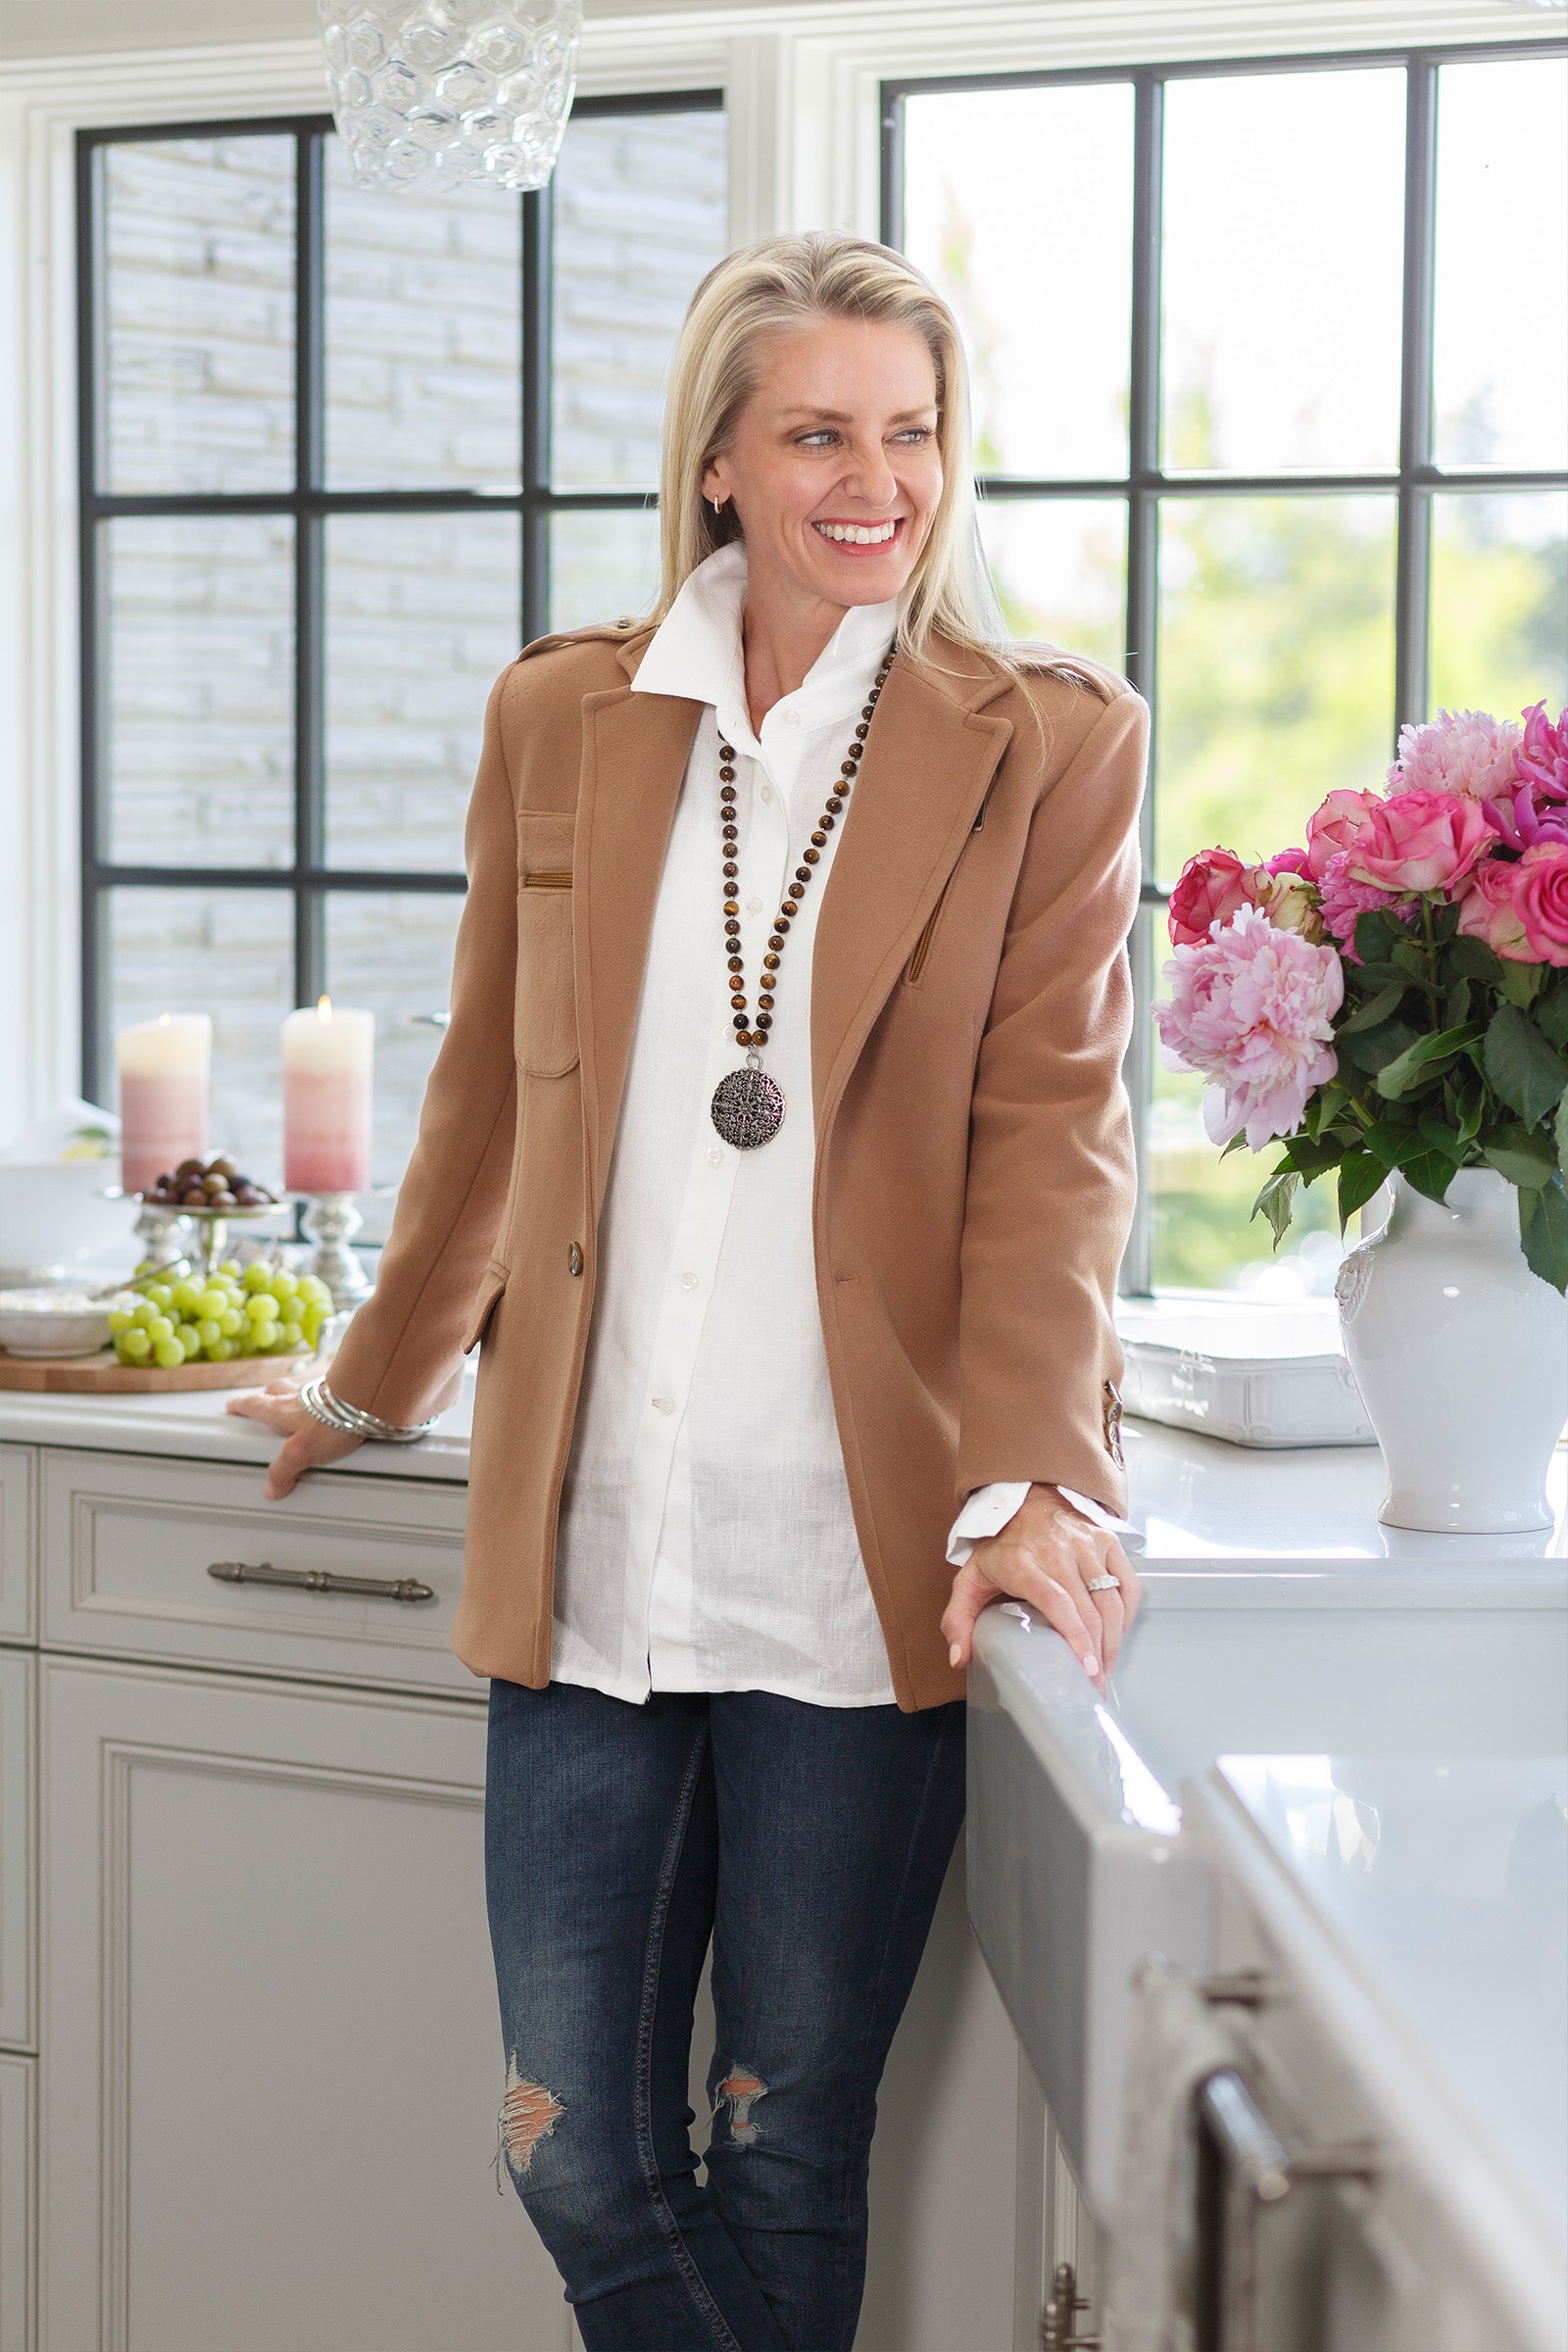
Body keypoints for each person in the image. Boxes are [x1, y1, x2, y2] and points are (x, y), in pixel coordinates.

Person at [231, 229, 1148, 2351]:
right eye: (818, 433)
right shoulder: (565, 712)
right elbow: (485, 1093)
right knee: (573, 2145)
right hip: (591, 1544)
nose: (874, 482)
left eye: (911, 433)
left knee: (788, 2139)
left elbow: (1054, 1140)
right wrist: (369, 1384)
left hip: (860, 1553)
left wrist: (1035, 1472)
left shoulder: (1043, 739)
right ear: (718, 460)